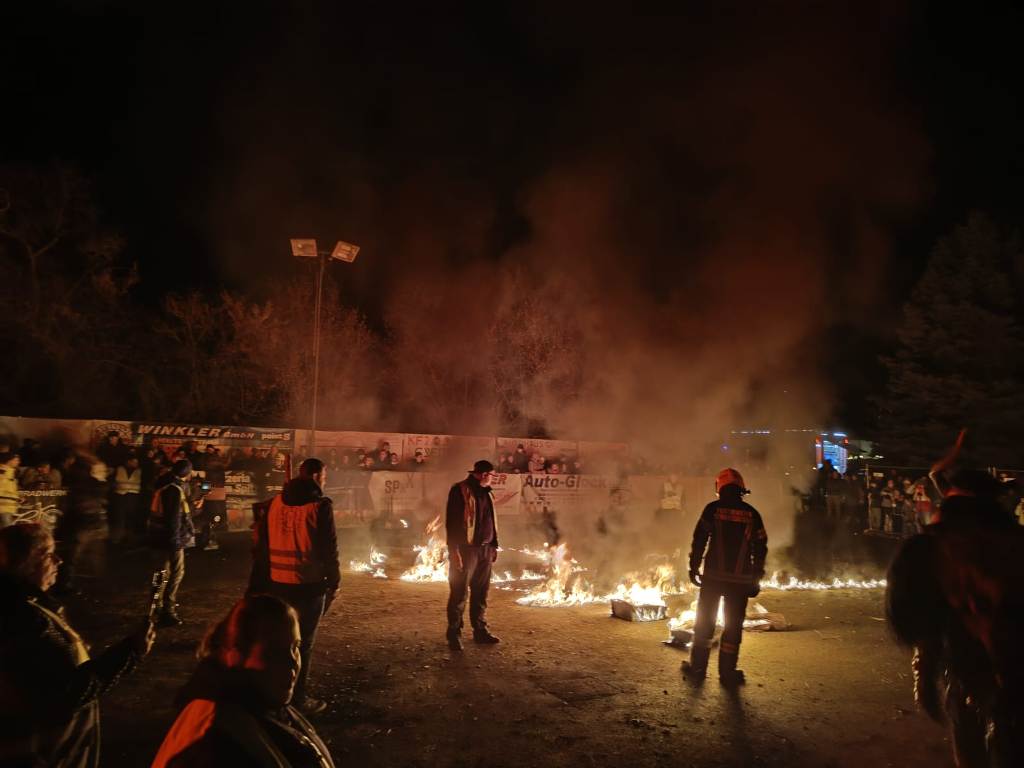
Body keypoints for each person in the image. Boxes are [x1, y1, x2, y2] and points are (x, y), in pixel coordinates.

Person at [0, 522, 155, 767]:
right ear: (25, 563)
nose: (59, 560)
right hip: (42, 753)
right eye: (48, 554)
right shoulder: (25, 619)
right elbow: (69, 691)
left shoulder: (27, 606)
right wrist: (130, 652)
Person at [150, 595, 335, 767]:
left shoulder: (266, 703)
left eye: (295, 647)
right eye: (274, 651)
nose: (292, 662)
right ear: (235, 655)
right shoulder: (214, 744)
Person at [248, 458, 340, 716]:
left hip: (277, 583)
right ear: (316, 476)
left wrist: (258, 583)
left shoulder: (275, 503)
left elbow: (262, 547)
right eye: (324, 476)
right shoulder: (320, 506)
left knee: (277, 639)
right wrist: (334, 582)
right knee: (303, 644)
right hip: (308, 587)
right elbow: (329, 548)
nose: (325, 481)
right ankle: (297, 698)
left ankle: (270, 693)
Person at [683, 468, 768, 686]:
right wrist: (756, 578)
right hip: (740, 582)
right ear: (741, 488)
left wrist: (694, 567)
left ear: (719, 488)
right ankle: (727, 673)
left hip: (713, 579)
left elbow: (699, 540)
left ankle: (697, 669)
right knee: (733, 626)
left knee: (705, 623)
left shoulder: (712, 509)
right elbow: (760, 547)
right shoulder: (752, 514)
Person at [445, 459, 501, 651]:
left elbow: (491, 521)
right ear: (483, 475)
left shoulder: (487, 493)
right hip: (466, 550)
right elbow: (452, 523)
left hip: (485, 550)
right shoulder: (460, 490)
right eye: (491, 475)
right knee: (459, 593)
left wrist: (493, 546)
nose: (492, 479)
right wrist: (453, 551)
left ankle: (480, 630)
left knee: (481, 593)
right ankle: (454, 634)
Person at [148, 459, 198, 627]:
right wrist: (175, 541)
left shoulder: (166, 485)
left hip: (159, 536)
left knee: (161, 573)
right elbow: (174, 518)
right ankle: (168, 611)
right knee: (176, 573)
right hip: (169, 538)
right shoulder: (174, 490)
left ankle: (155, 609)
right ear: (187, 473)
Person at [111, 452, 143, 545]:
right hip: (120, 496)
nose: (136, 464)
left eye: (137, 462)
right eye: (134, 462)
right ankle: (117, 538)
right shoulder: (119, 469)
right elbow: (113, 481)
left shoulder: (139, 471)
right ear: (128, 462)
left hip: (132, 497)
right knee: (119, 518)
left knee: (130, 518)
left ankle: (129, 538)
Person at [0, 451, 20, 528]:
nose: (18, 462)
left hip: (8, 507)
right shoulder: (3, 471)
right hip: (4, 507)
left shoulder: (10, 473)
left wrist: (18, 498)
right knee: (7, 530)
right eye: (16, 460)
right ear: (9, 461)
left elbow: (10, 489)